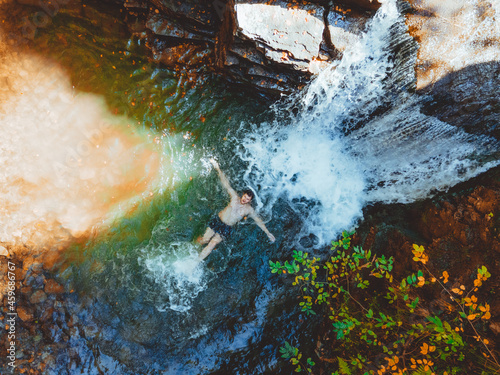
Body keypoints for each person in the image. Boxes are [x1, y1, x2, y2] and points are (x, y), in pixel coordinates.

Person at [196, 158, 276, 261]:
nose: (244, 200)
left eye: (247, 199)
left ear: (250, 200)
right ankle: (195, 243)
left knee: (212, 244)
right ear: (243, 194)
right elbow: (225, 183)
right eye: (244, 197)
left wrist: (267, 232)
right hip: (218, 220)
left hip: (226, 228)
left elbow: (258, 220)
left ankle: (195, 262)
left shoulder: (248, 210)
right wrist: (217, 168)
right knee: (204, 240)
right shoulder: (234, 197)